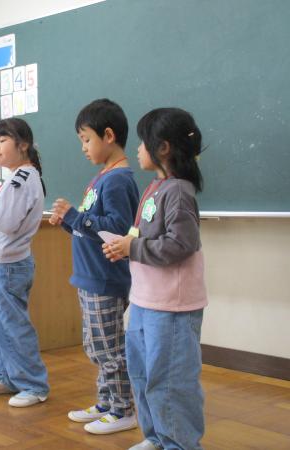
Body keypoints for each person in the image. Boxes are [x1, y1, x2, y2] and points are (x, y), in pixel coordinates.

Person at [103, 108, 207, 450]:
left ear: (162, 147)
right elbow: (142, 235)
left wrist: (133, 247)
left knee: (171, 381)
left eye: (142, 142)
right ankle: (158, 437)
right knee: (143, 374)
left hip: (172, 306)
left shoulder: (178, 191)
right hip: (145, 300)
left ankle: (180, 443)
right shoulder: (155, 186)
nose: (137, 149)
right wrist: (124, 246)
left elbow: (181, 244)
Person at [49, 99, 139, 434]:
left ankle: (123, 409)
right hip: (90, 276)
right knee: (96, 345)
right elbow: (90, 228)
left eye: (86, 139)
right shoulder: (102, 177)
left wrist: (76, 216)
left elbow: (116, 227)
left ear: (109, 136)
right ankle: (106, 402)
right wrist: (68, 221)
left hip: (105, 278)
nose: (83, 148)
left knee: (109, 348)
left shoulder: (117, 180)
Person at [0, 118, 49, 408]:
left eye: (2, 141)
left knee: (12, 325)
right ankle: (6, 376)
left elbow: (5, 222)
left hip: (7, 266)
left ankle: (33, 384)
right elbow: (5, 216)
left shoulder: (21, 179)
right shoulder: (18, 177)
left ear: (23, 144)